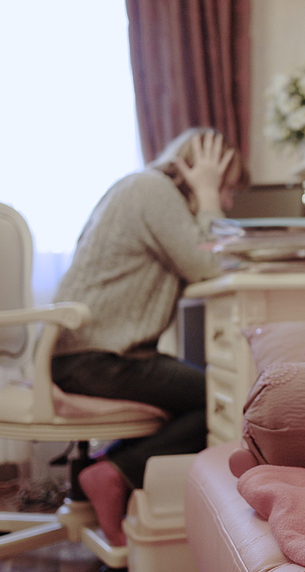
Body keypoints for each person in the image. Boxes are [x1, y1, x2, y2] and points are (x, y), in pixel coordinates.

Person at [50, 128, 248, 546]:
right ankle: (112, 474)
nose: (229, 203)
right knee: (226, 400)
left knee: (212, 391)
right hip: (96, 360)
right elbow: (211, 264)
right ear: (197, 171)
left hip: (90, 357)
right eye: (227, 189)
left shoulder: (141, 188)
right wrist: (208, 196)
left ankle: (111, 467)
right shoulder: (153, 190)